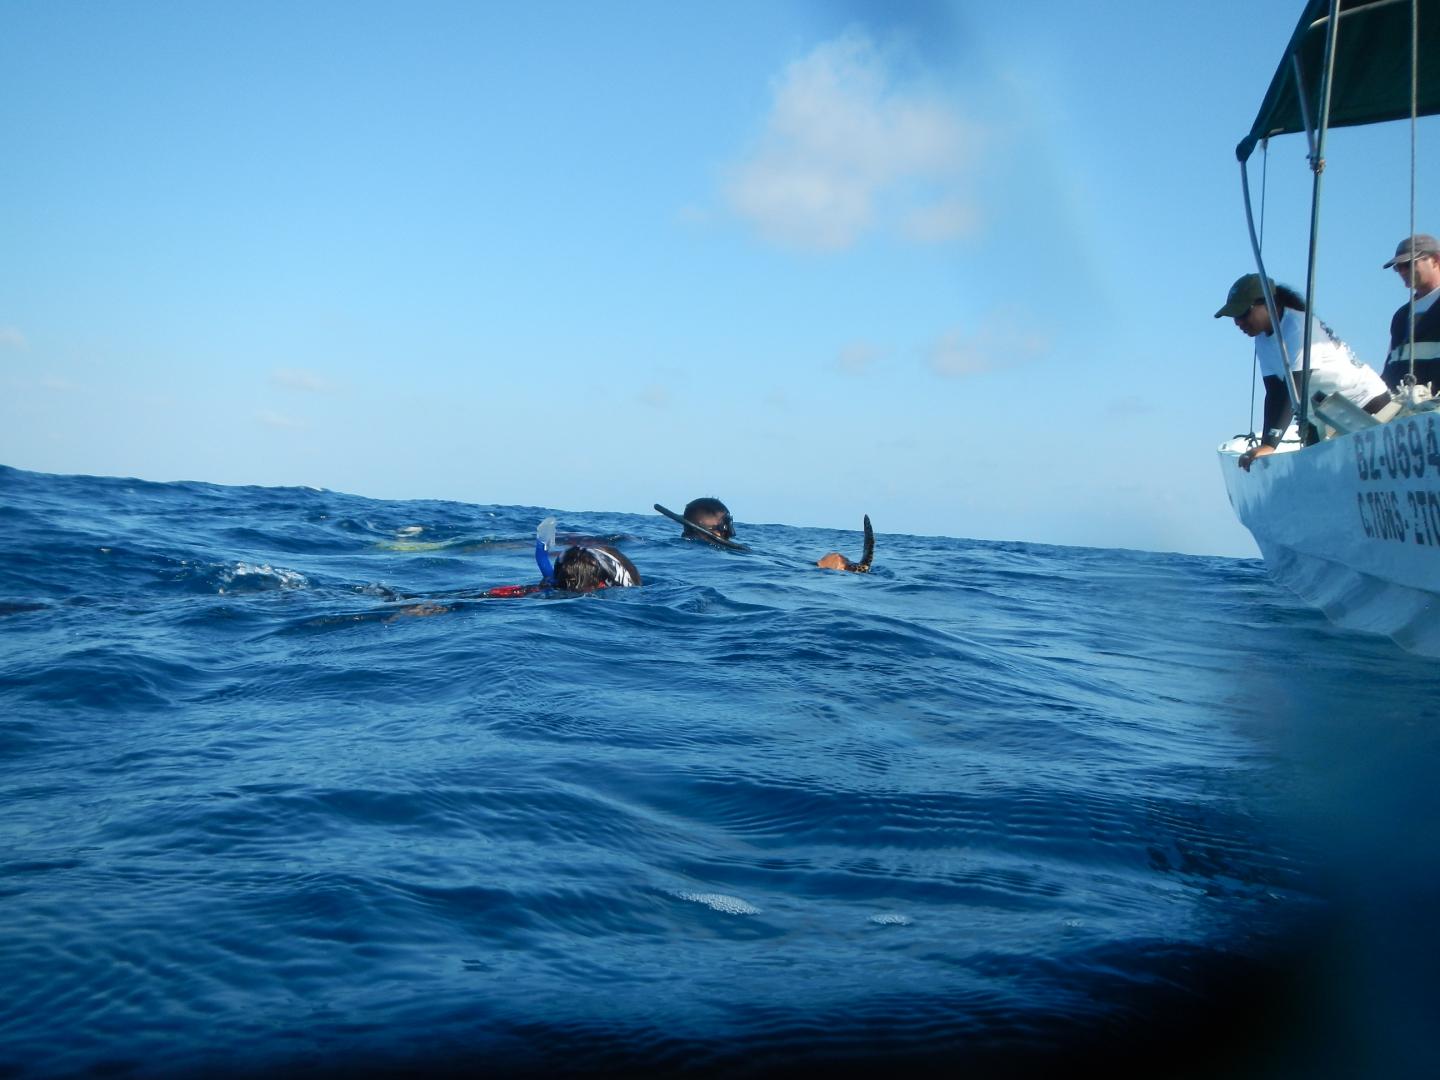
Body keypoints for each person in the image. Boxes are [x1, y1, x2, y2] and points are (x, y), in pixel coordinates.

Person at [1215, 273, 1390, 471]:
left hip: (1365, 402)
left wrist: (1269, 446)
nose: (1238, 322)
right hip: (1324, 415)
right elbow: (1274, 393)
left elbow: (1292, 390)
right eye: (1235, 317)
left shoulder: (1298, 327)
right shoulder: (1262, 339)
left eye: (1243, 314)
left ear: (1268, 303)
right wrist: (1267, 442)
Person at [1381, 233, 1440, 392]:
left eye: (1408, 264)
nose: (1402, 271)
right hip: (1403, 411)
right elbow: (1390, 366)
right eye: (1397, 267)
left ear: (1435, 260)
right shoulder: (1401, 316)